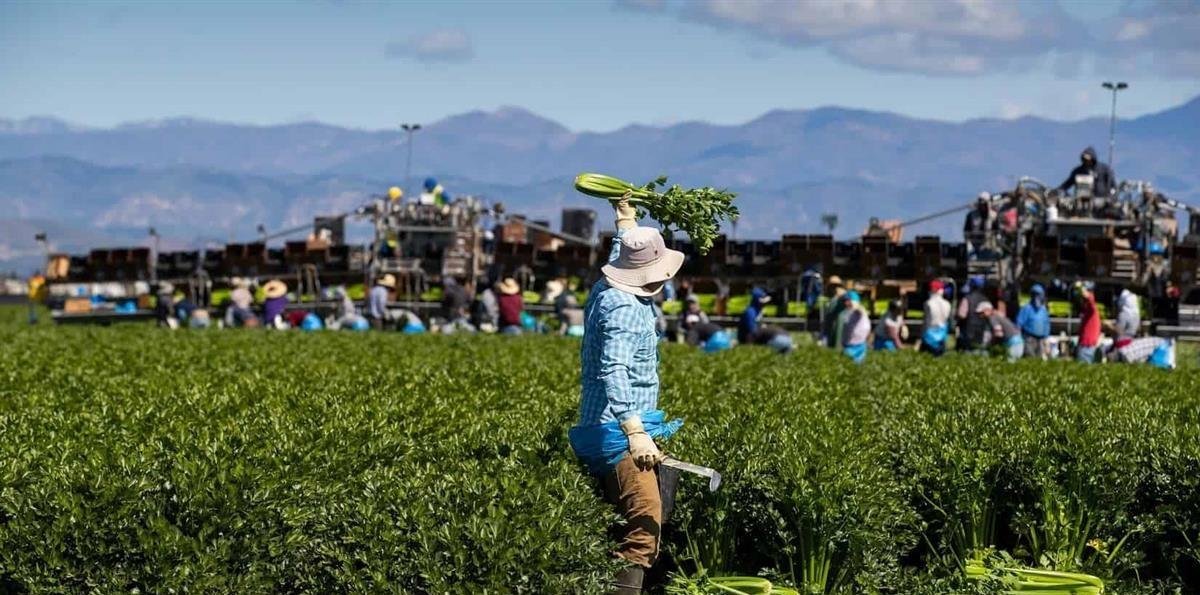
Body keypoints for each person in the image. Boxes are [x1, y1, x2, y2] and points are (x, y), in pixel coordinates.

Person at [567, 198, 686, 594]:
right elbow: (613, 371)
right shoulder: (623, 311)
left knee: (651, 506)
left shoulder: (607, 287)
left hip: (611, 426)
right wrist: (634, 431)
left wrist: (626, 220)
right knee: (645, 526)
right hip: (615, 433)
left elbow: (623, 254)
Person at [1016, 284, 1051, 359]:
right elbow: (1019, 323)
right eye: (1035, 294)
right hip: (1029, 338)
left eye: (1039, 295)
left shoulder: (1043, 310)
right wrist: (1019, 338)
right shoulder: (1026, 308)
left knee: (1039, 358)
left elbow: (1047, 323)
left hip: (1041, 339)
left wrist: (1046, 337)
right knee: (1029, 356)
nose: (1037, 297)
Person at [956, 276, 989, 353]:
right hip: (982, 331)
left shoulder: (967, 298)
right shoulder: (985, 299)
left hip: (968, 331)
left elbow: (962, 315)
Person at [921, 280, 951, 356]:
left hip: (929, 334)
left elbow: (926, 321)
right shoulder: (947, 304)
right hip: (942, 333)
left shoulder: (928, 303)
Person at [1074, 281, 1102, 363]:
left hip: (1087, 344)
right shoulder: (1087, 310)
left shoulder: (1091, 309)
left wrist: (1080, 287)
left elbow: (1090, 299)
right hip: (1085, 343)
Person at [841, 291, 870, 363]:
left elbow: (860, 310)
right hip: (849, 345)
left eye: (848, 300)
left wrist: (855, 305)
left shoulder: (859, 310)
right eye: (845, 301)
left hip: (859, 345)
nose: (846, 303)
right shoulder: (847, 311)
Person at [821, 275, 847, 347]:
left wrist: (844, 295)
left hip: (840, 330)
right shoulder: (830, 299)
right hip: (829, 330)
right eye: (832, 286)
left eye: (837, 286)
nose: (835, 288)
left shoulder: (843, 298)